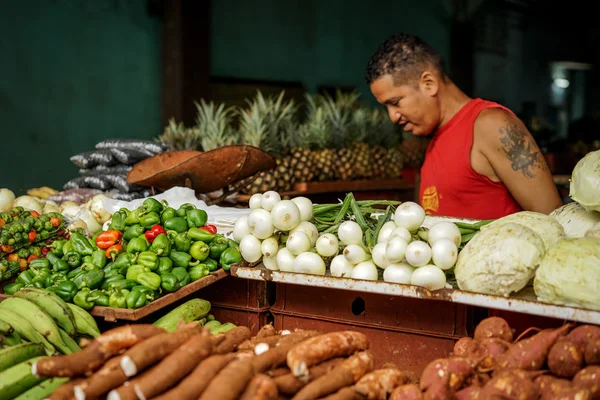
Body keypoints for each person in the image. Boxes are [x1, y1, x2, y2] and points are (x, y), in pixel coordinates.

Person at [365, 34, 563, 219]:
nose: (393, 117)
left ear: (428, 84)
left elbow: (554, 219)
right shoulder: (435, 139)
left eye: (396, 102)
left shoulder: (492, 125)